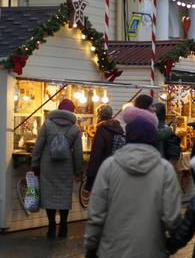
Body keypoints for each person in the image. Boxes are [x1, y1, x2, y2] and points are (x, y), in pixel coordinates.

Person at [84, 116, 182, 258]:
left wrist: (91, 246)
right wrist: (170, 245)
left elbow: (96, 213)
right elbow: (172, 218)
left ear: (127, 137)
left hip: (112, 250)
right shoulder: (165, 169)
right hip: (151, 250)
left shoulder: (109, 166)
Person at [31, 99, 83, 238]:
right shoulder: (75, 128)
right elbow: (78, 153)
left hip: (48, 165)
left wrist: (35, 164)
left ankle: (52, 225)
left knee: (49, 195)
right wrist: (78, 170)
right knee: (64, 195)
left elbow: (38, 146)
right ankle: (64, 225)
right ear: (72, 111)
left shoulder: (47, 124)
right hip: (66, 167)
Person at [84, 105, 125, 192]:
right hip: (116, 169)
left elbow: (96, 154)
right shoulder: (118, 128)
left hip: (102, 170)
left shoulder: (102, 129)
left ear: (99, 115)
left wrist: (90, 176)